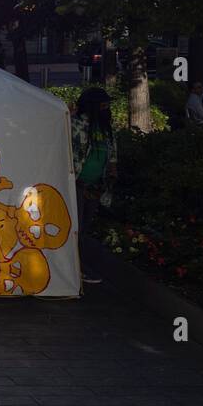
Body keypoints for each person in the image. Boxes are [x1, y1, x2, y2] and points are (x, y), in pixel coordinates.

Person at [71, 87, 117, 285]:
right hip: (76, 182)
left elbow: (112, 152)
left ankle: (79, 265)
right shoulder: (76, 123)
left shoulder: (106, 126)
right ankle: (77, 268)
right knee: (77, 227)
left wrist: (112, 171)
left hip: (95, 184)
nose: (107, 107)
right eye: (103, 104)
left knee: (85, 226)